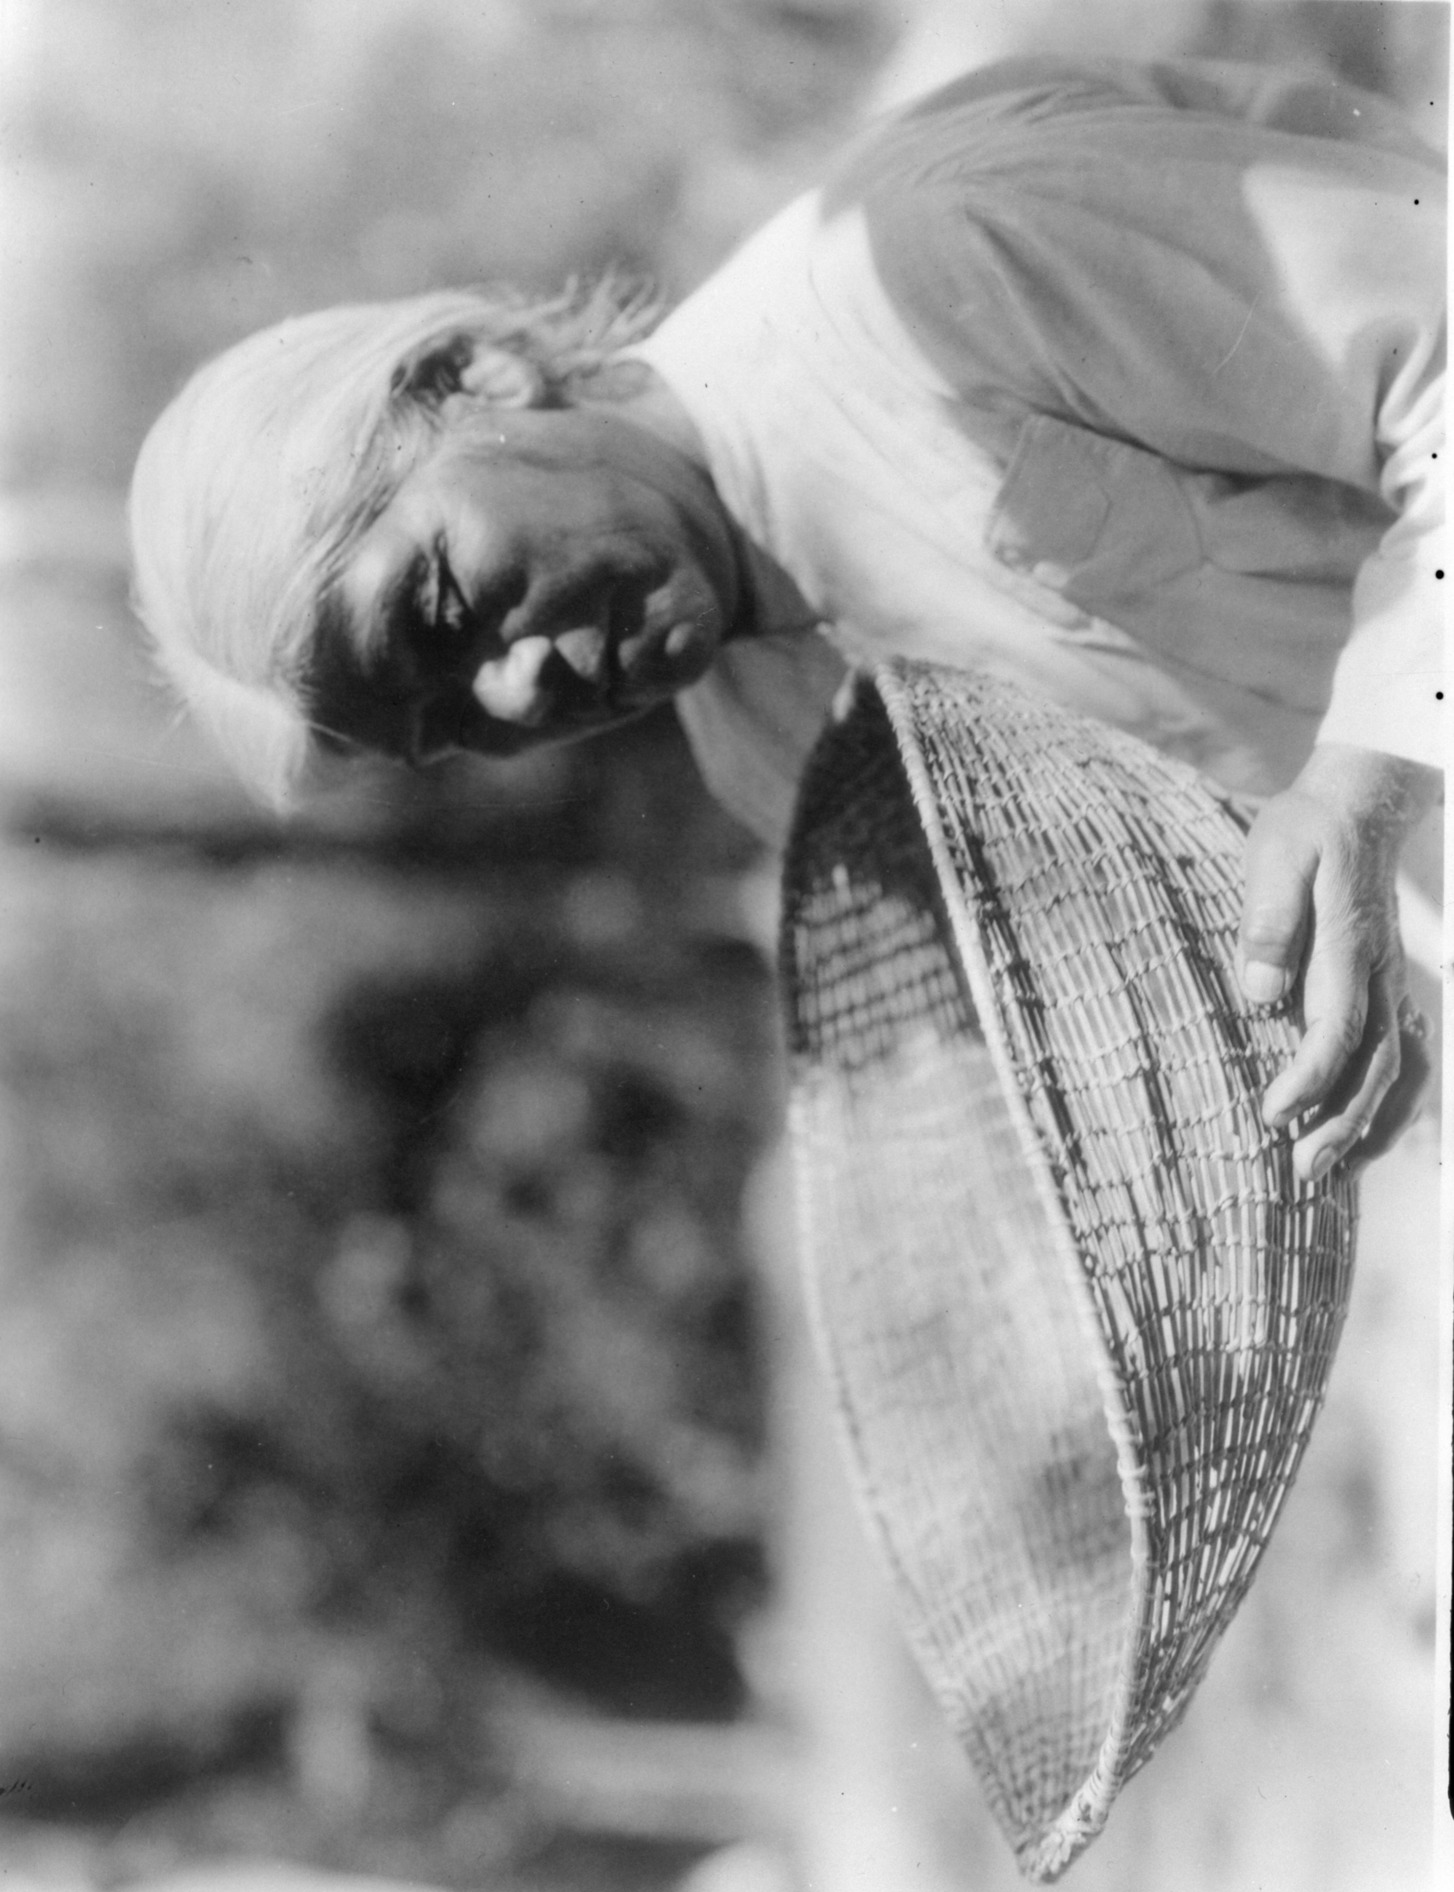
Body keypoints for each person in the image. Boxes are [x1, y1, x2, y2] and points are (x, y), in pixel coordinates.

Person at [128, 54, 1444, 1188]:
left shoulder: (918, 271)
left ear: (473, 378)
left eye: (444, 607)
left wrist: (1362, 785)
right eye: (447, 728)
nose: (517, 701)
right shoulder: (792, 767)